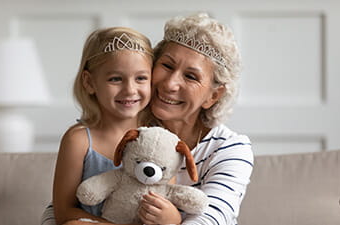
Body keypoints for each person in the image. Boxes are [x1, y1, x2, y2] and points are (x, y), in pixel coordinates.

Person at [137, 12, 254, 225]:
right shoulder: (126, 130)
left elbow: (211, 219)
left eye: (191, 76)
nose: (170, 84)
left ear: (213, 96)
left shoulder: (229, 148)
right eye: (167, 66)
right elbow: (68, 206)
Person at [41, 27, 153, 225]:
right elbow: (64, 211)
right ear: (89, 82)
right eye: (115, 79)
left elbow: (167, 193)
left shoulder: (156, 136)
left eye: (141, 78)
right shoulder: (79, 140)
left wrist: (172, 216)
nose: (130, 89)